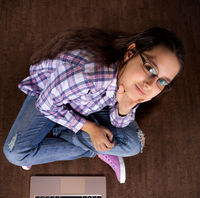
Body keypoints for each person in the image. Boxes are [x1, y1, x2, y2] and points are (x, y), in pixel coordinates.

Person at [3, 27, 185, 183]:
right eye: (150, 69)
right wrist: (90, 129)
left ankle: (66, 137)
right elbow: (45, 105)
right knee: (16, 154)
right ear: (130, 53)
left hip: (91, 102)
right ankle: (74, 138)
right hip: (49, 96)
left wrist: (125, 106)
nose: (150, 85)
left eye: (162, 81)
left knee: (133, 145)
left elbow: (119, 122)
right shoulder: (89, 77)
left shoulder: (136, 84)